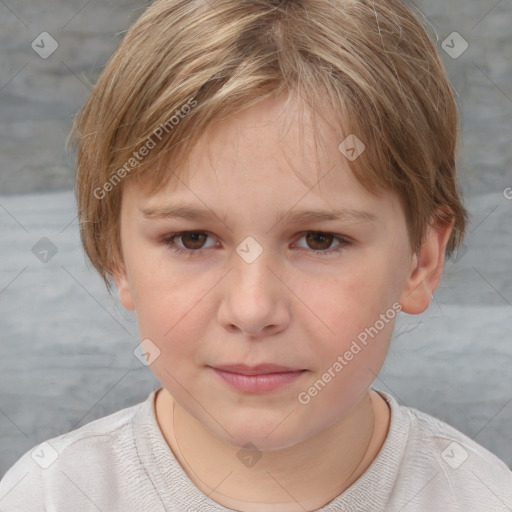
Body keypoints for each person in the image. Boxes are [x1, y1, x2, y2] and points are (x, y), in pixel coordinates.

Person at [1, 0, 511, 510]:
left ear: (420, 261)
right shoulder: (48, 496)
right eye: (192, 239)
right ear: (118, 255)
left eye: (319, 240)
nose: (252, 310)